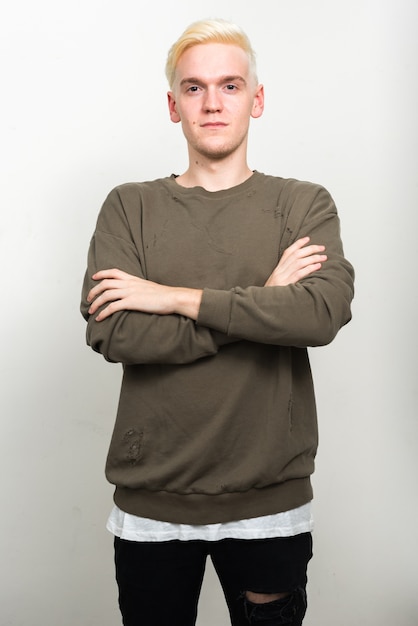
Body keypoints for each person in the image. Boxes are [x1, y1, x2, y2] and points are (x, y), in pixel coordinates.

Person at [80, 18, 354, 626]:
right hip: (153, 501)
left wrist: (169, 297)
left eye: (230, 86)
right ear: (173, 105)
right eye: (194, 87)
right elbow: (114, 331)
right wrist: (261, 303)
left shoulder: (302, 203)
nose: (212, 102)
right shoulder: (131, 206)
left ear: (256, 100)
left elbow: (319, 313)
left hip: (269, 498)